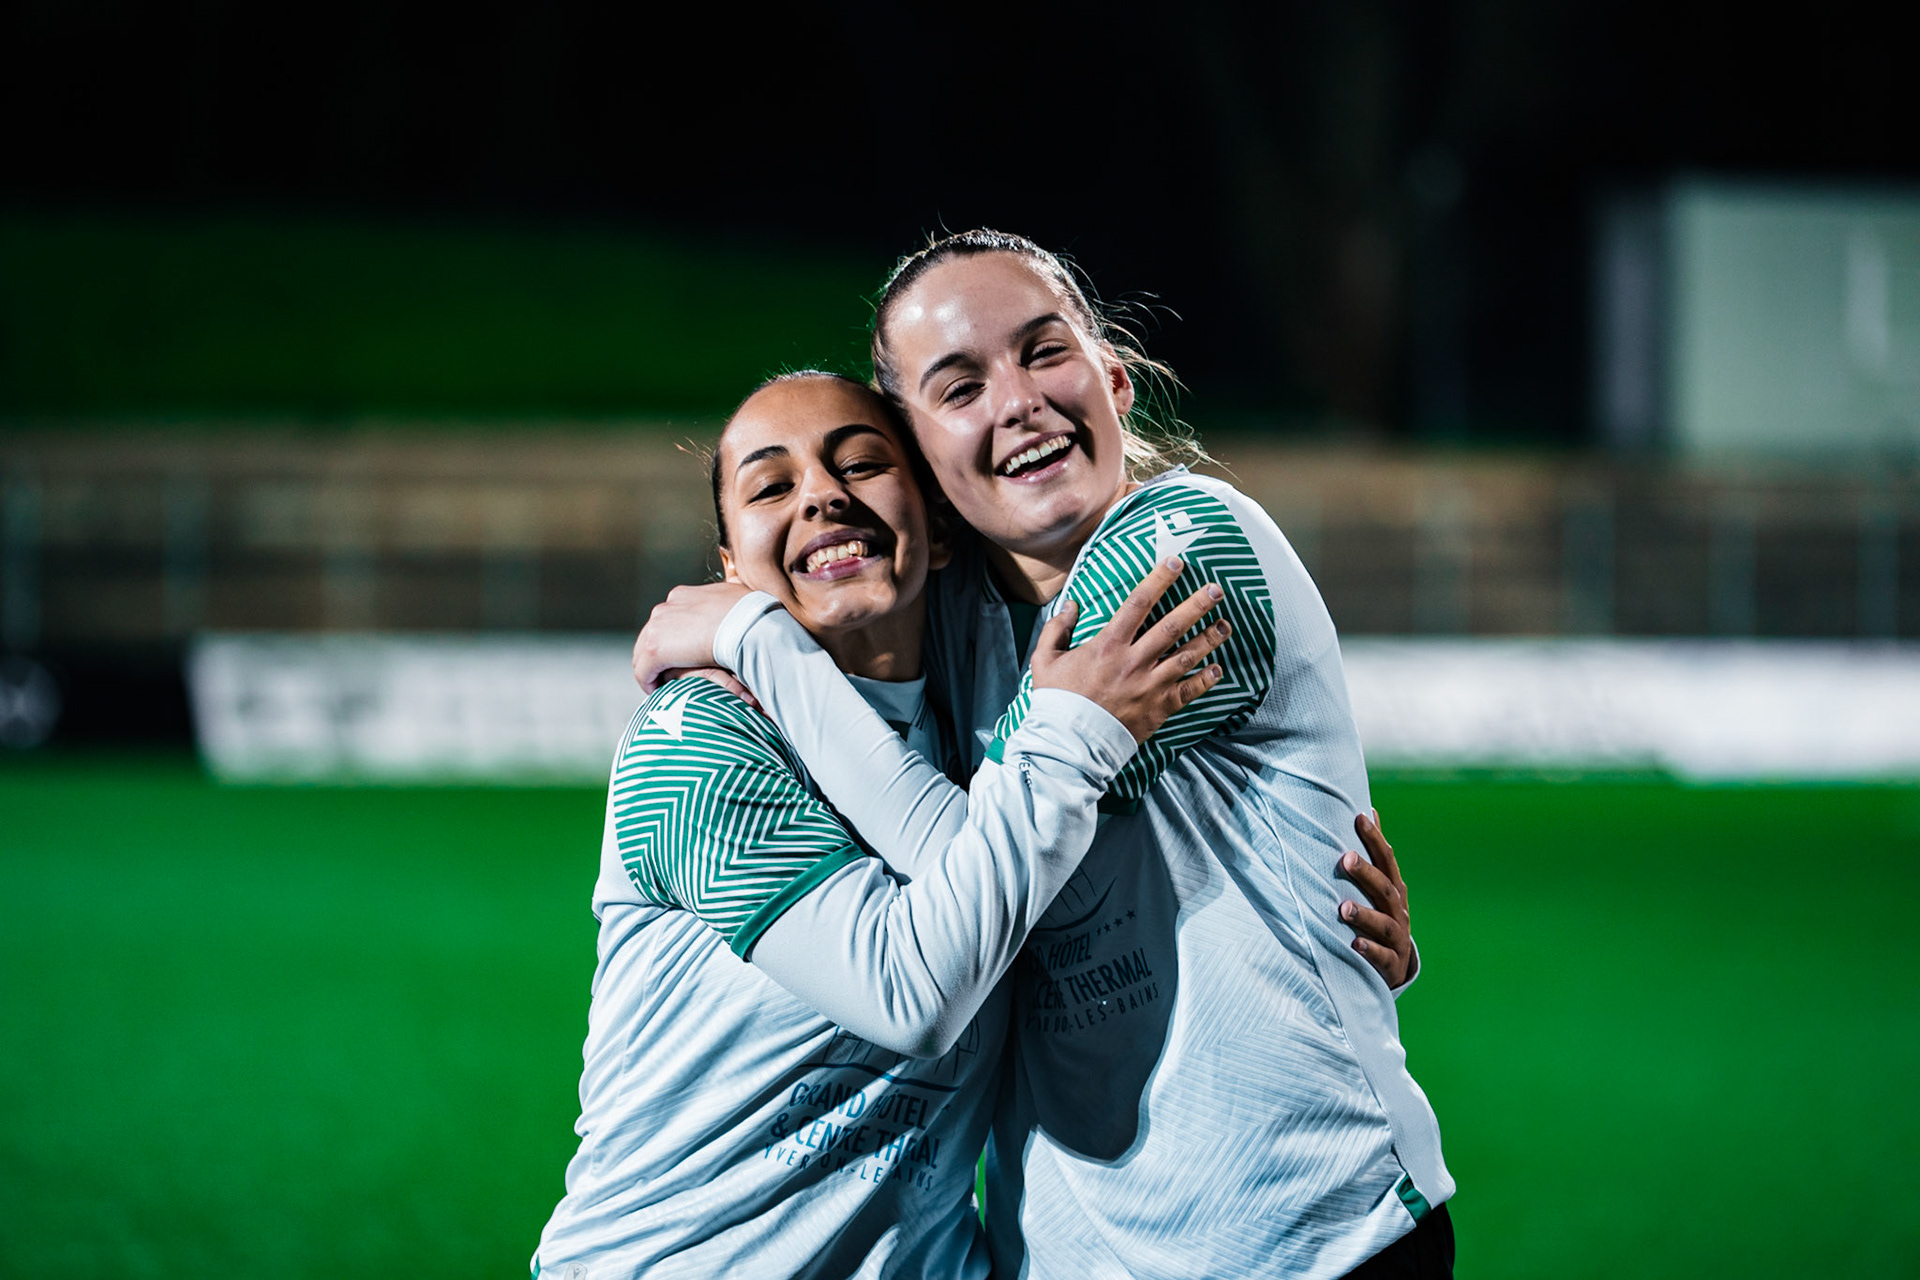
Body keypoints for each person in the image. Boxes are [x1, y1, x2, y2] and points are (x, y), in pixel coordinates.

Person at [635, 231, 1452, 1279]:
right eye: (961, 384)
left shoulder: (1182, 555)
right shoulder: (946, 617)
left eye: (1043, 352)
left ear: (1113, 376)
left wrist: (758, 634)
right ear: (926, 466)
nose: (1017, 400)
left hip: (1302, 1243)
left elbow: (977, 856)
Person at [533, 372, 1234, 1279]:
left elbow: (1095, 916)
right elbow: (914, 992)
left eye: (861, 464)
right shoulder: (696, 738)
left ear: (937, 528)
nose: (824, 495)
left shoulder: (985, 730)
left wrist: (1340, 927)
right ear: (731, 571)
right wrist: (761, 639)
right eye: (771, 486)